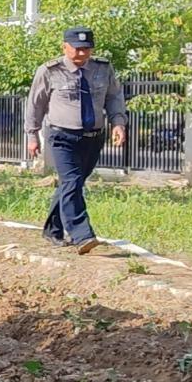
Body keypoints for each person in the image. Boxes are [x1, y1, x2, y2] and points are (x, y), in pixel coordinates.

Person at [25, 27, 127, 254]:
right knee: (71, 181)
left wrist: (118, 122)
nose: (82, 54)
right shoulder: (49, 71)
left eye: (87, 49)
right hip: (62, 136)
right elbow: (36, 104)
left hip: (92, 137)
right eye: (77, 49)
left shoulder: (103, 68)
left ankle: (53, 229)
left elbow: (113, 97)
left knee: (73, 183)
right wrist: (32, 135)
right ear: (65, 47)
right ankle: (83, 235)